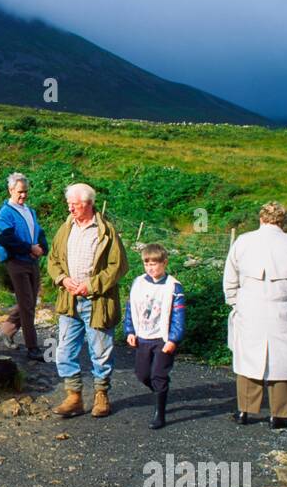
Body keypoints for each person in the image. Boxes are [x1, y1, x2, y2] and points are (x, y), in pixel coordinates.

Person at [223, 201, 287, 430]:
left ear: (261, 219)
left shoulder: (243, 242)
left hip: (249, 307)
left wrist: (235, 302)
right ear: (283, 222)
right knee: (283, 361)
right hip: (284, 308)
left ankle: (244, 411)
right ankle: (280, 415)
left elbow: (230, 278)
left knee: (248, 358)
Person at [46, 183, 128, 419]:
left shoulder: (106, 231)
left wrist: (91, 285)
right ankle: (74, 396)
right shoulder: (66, 228)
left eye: (76, 204)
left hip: (98, 301)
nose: (71, 208)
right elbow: (53, 260)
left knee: (100, 350)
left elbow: (118, 266)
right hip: (69, 300)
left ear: (89, 204)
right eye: (69, 203)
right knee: (64, 350)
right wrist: (62, 279)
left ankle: (101, 395)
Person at [123, 243, 186, 429]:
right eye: (147, 264)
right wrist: (130, 331)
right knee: (142, 374)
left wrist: (174, 339)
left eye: (154, 264)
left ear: (164, 263)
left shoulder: (174, 287)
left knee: (158, 374)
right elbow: (130, 309)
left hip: (162, 338)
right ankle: (160, 392)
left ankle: (160, 412)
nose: (150, 268)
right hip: (143, 336)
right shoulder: (138, 282)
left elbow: (178, 316)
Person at [0, 172, 49, 360]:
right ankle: (32, 348)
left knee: (29, 301)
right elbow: (4, 237)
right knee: (27, 306)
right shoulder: (5, 213)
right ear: (10, 190)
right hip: (16, 262)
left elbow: (38, 232)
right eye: (20, 192)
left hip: (32, 261)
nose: (23, 195)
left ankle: (6, 331)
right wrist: (28, 248)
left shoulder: (29, 211)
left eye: (25, 192)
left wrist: (42, 247)